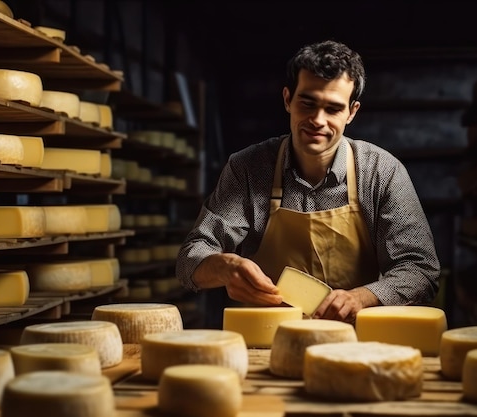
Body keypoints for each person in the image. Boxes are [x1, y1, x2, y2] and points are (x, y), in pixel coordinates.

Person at [176, 39, 441, 327]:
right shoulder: (248, 168)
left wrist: (362, 297)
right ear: (288, 99)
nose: (318, 119)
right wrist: (225, 268)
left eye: (333, 109)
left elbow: (420, 270)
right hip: (264, 345)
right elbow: (191, 256)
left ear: (352, 112)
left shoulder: (381, 172)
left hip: (352, 344)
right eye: (308, 103)